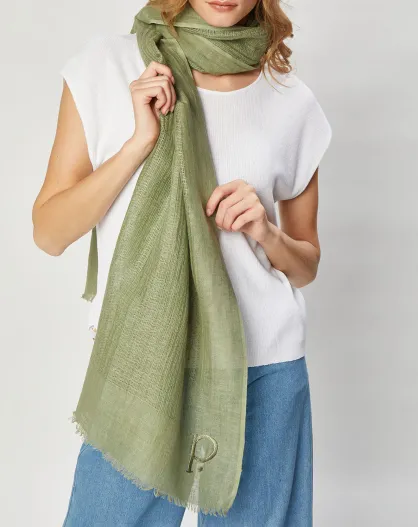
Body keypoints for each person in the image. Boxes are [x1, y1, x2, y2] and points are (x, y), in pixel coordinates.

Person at [32, 0, 332, 525]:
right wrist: (138, 144)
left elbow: (306, 264)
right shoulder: (108, 68)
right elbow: (49, 233)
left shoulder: (290, 100)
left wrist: (265, 231)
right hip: (143, 360)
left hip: (262, 368)